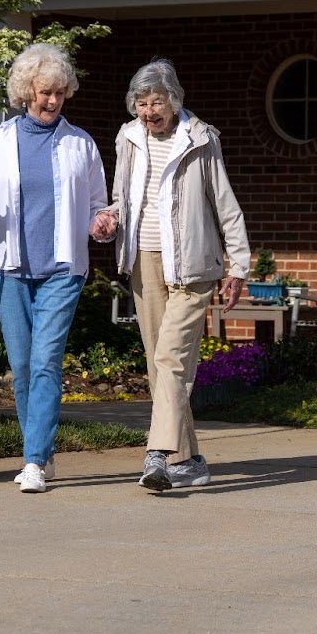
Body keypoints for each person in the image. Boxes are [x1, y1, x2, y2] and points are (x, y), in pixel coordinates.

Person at [0, 43, 108, 494]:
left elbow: (99, 205)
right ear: (26, 92)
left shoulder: (81, 144)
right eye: (45, 92)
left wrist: (101, 221)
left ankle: (35, 460)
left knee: (44, 363)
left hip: (62, 270)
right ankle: (41, 451)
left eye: (60, 92)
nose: (53, 101)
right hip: (8, 269)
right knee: (21, 366)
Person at [98, 59, 250, 492]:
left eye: (156, 102)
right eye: (141, 103)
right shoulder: (128, 137)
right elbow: (121, 197)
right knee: (160, 365)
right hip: (143, 260)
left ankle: (157, 454)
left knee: (171, 358)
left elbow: (225, 203)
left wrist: (237, 265)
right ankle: (190, 461)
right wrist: (109, 220)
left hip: (192, 263)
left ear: (174, 101)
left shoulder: (200, 138)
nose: (149, 112)